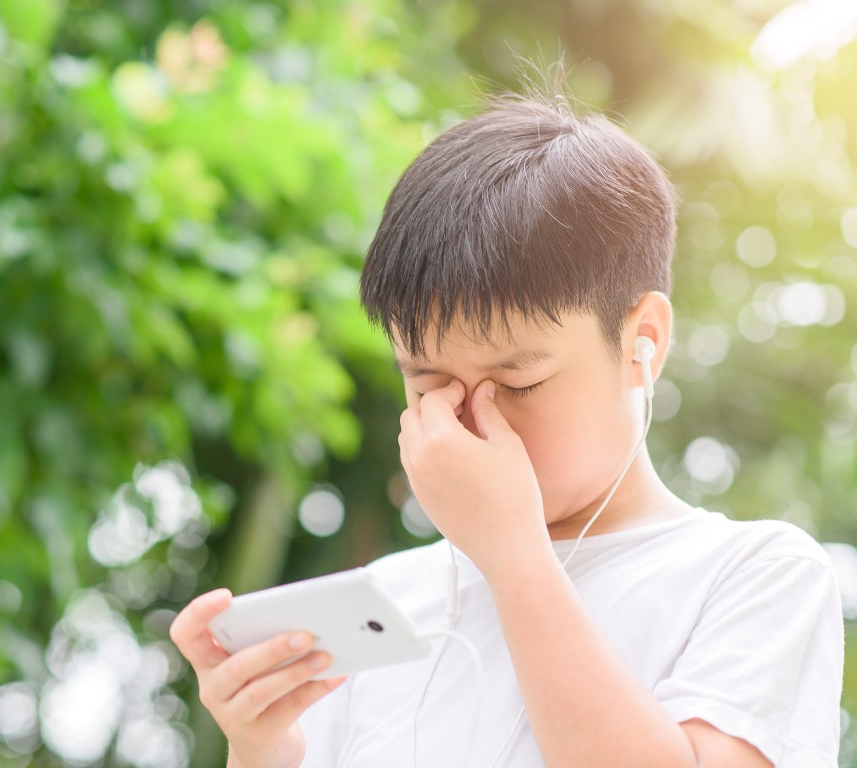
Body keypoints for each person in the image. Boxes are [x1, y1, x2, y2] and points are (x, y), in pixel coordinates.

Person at [169, 90, 844, 767]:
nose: (467, 425)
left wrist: (512, 552)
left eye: (517, 384)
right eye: (428, 384)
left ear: (643, 341)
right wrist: (262, 749)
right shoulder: (379, 606)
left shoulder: (754, 576)